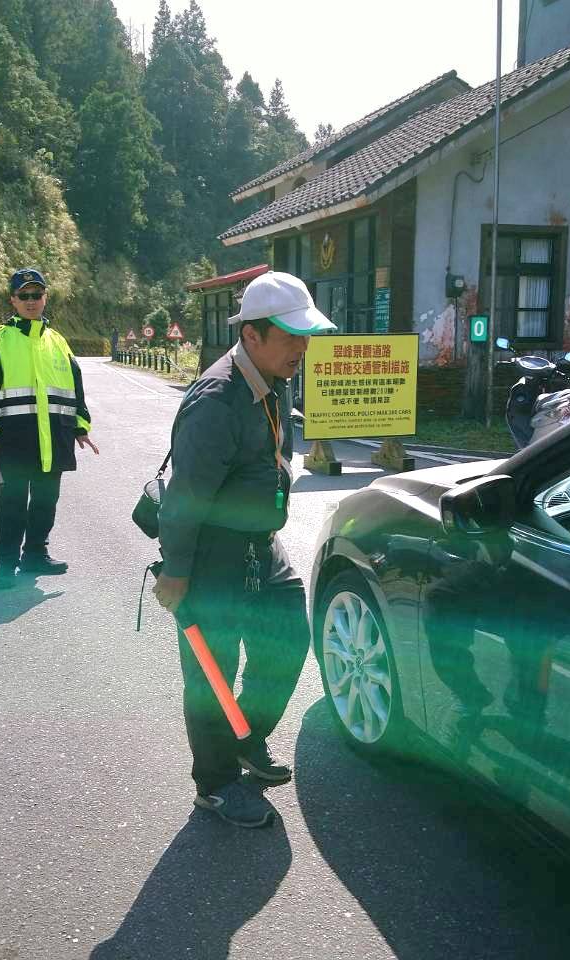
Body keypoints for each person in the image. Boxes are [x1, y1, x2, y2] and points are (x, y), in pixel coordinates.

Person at [151, 270, 335, 829]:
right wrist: (176, 573)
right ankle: (215, 784)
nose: (302, 348)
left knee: (288, 637)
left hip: (261, 547)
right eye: (291, 336)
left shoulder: (273, 379)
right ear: (251, 335)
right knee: (213, 674)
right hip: (212, 556)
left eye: (306, 336)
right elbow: (185, 496)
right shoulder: (216, 400)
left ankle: (246, 738)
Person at [0, 267, 98, 589]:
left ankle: (35, 554)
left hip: (53, 438)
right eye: (23, 295)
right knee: (11, 503)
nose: (31, 300)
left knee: (46, 500)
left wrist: (80, 426)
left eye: (36, 294)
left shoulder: (58, 342)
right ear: (12, 300)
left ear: (45, 298)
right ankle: (5, 564)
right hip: (13, 440)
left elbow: (75, 389)